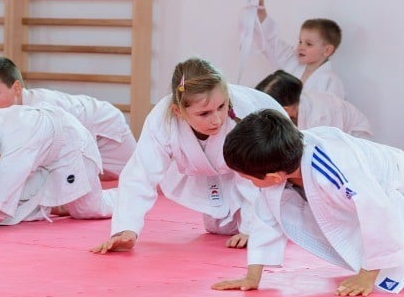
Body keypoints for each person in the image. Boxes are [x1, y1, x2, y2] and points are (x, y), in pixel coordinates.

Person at [213, 109, 404, 296]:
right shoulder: (280, 159)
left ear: (273, 176)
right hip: (363, 194)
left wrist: (366, 275)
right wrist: (252, 277)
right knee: (354, 246)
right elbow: (266, 218)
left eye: (247, 178)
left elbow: (376, 211)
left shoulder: (332, 167)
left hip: (400, 183)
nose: (247, 182)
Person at [91, 57, 285, 254]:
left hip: (268, 166)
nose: (217, 119)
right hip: (213, 170)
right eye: (204, 114)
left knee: (277, 222)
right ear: (179, 111)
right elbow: (140, 175)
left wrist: (252, 229)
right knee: (219, 228)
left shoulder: (246, 113)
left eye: (222, 106)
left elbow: (256, 175)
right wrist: (126, 229)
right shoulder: (162, 121)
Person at [0, 104, 113, 232]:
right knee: (14, 200)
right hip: (40, 162)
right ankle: (57, 204)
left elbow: (8, 174)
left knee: (88, 211)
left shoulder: (18, 134)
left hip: (71, 149)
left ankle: (125, 196)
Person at [0, 56, 136, 180]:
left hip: (105, 128)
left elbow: (68, 145)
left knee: (139, 174)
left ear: (16, 88)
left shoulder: (44, 106)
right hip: (84, 138)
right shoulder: (10, 115)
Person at [241, 0, 346, 97]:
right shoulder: (291, 60)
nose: (301, 47)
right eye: (300, 41)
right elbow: (270, 39)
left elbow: (333, 112)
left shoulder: (331, 82)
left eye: (309, 44)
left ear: (327, 50)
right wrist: (260, 8)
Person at [256, 70, 371, 138]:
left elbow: (327, 148)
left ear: (285, 110)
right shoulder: (296, 105)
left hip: (354, 136)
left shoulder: (320, 115)